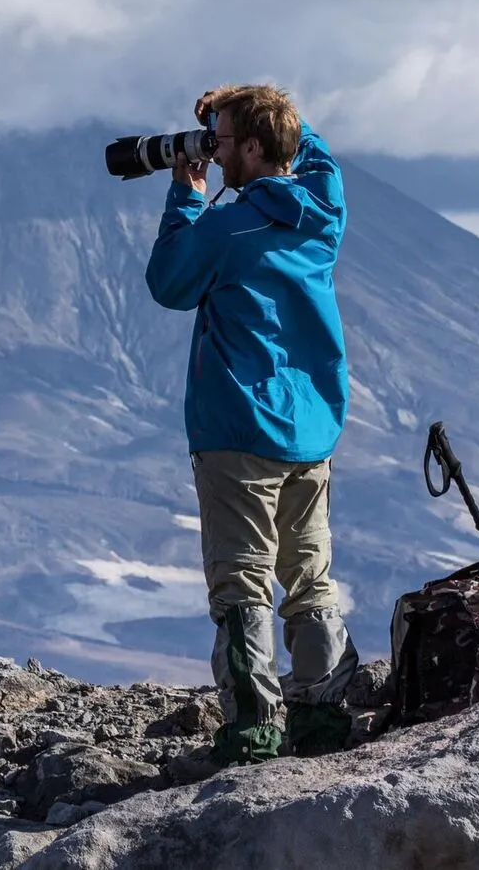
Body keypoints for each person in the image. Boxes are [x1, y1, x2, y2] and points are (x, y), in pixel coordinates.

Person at [145, 84, 359, 770]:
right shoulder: (323, 212)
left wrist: (185, 191)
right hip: (312, 433)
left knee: (242, 585)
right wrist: (260, 106)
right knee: (311, 579)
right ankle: (323, 715)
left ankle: (255, 729)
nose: (215, 148)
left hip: (240, 430)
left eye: (225, 137)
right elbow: (316, 157)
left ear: (256, 147)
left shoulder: (229, 227)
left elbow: (169, 282)